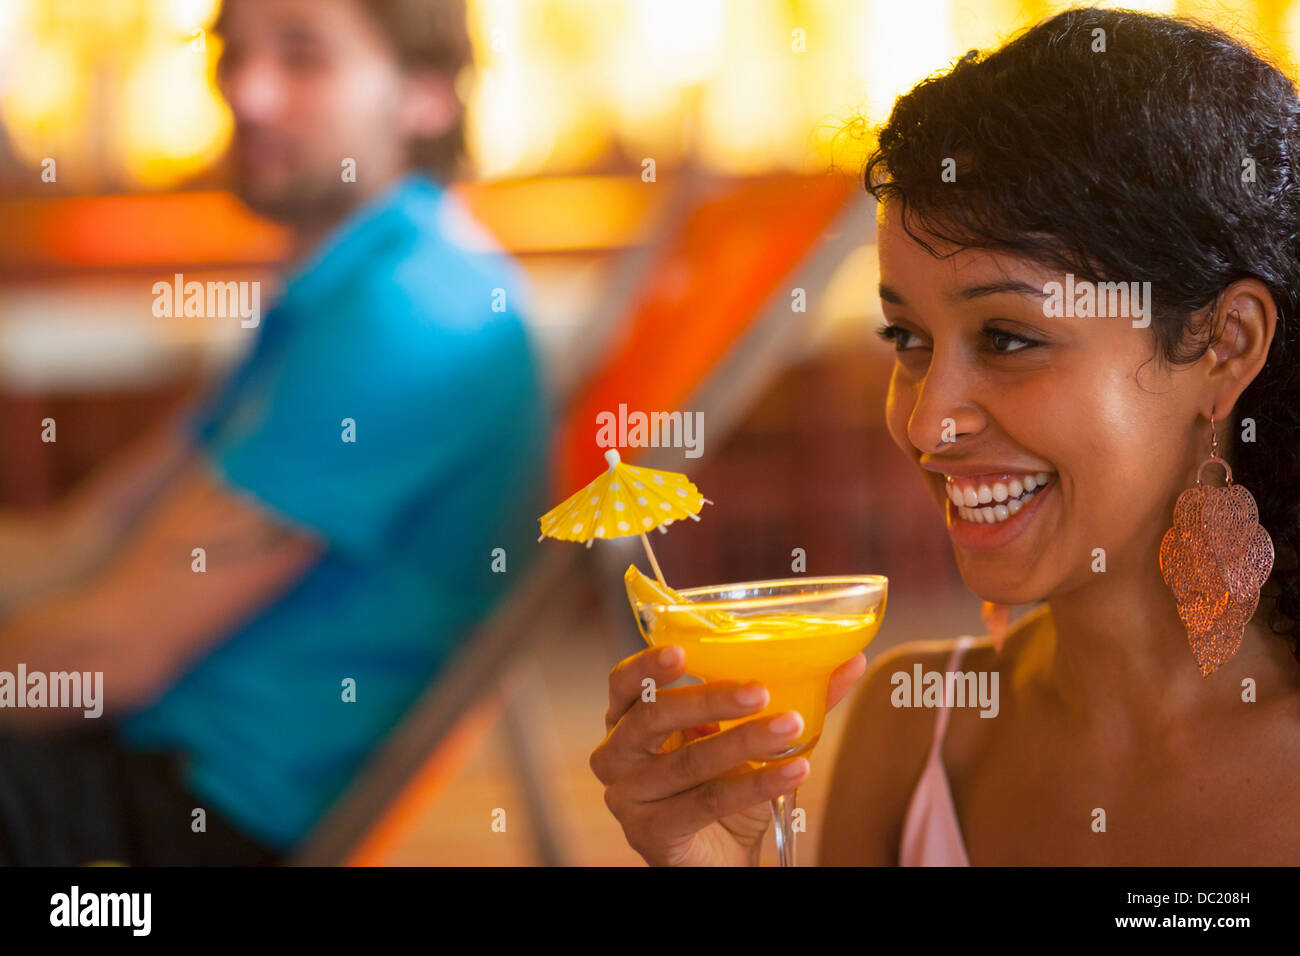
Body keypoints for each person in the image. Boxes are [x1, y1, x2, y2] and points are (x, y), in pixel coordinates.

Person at [591, 6, 1300, 865]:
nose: (927, 423)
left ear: (1225, 347)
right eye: (907, 341)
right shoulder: (915, 729)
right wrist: (712, 857)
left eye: (1007, 339)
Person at [0, 0, 549, 865]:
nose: (246, 94)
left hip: (205, 815)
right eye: (231, 53)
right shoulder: (345, 293)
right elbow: (81, 538)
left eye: (303, 56)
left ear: (427, 95)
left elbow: (111, 653)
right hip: (151, 760)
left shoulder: (407, 315)